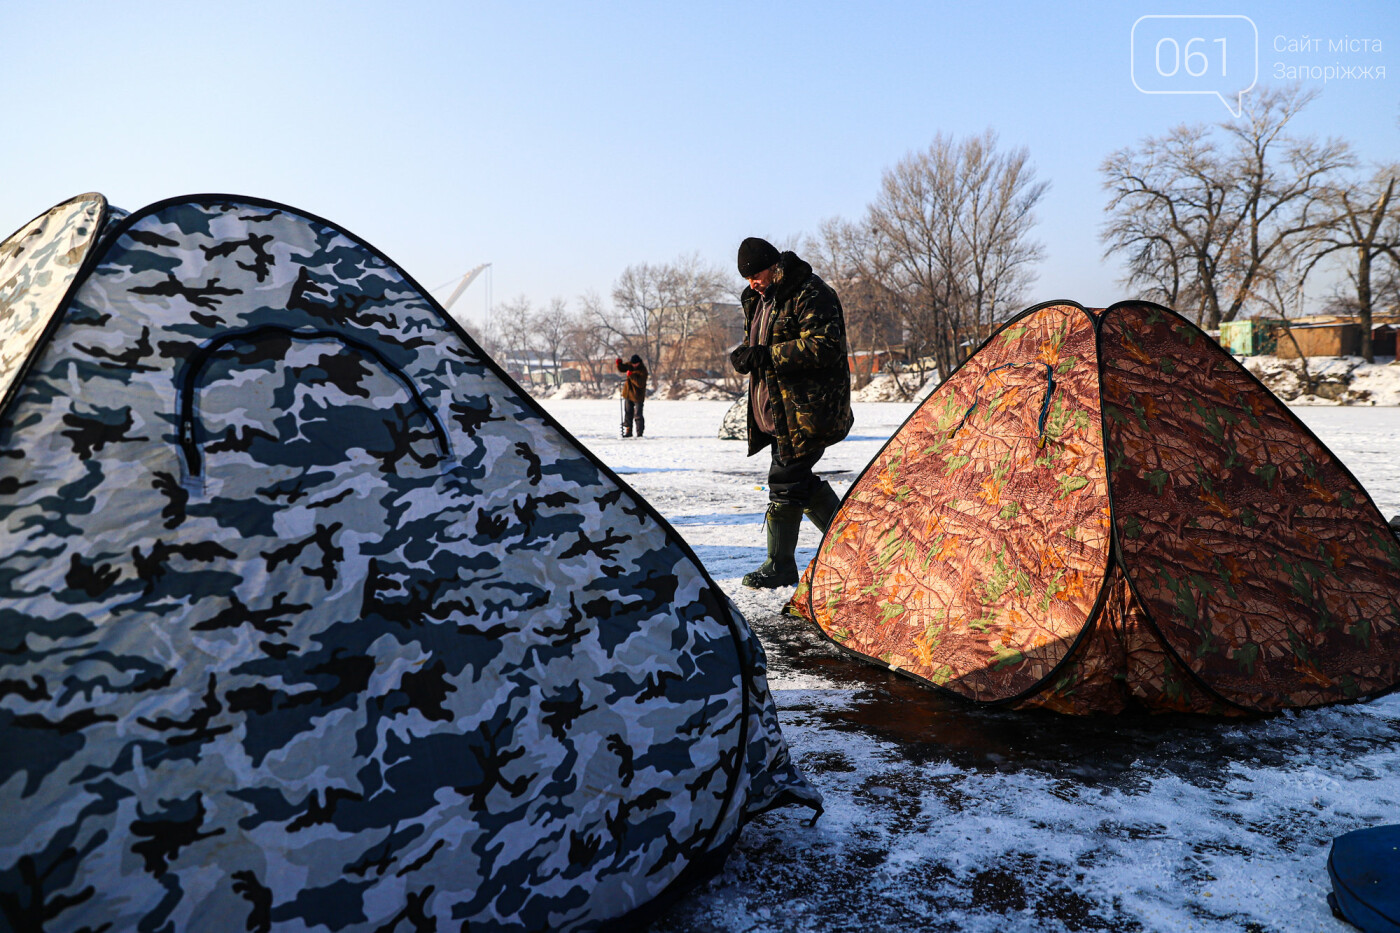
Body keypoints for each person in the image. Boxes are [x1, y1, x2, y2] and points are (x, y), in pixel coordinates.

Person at [730, 237, 853, 588]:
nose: (752, 282)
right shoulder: (757, 299)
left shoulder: (810, 292)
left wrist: (767, 355)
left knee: (784, 481)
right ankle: (853, 542)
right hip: (779, 412)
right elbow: (761, 344)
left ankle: (780, 565)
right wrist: (745, 354)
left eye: (757, 274)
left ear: (774, 266)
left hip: (811, 411)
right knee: (799, 483)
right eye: (747, 278)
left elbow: (825, 346)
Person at [615, 353, 648, 437]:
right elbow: (623, 369)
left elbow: (640, 383)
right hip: (628, 394)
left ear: (639, 363)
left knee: (638, 415)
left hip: (638, 396)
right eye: (633, 363)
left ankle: (639, 433)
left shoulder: (643, 370)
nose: (634, 365)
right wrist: (619, 364)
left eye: (635, 364)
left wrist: (631, 375)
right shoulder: (630, 365)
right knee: (628, 413)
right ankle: (628, 432)